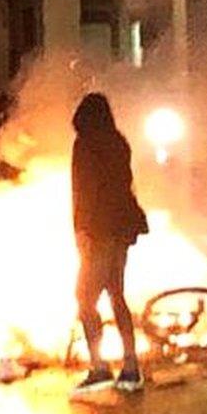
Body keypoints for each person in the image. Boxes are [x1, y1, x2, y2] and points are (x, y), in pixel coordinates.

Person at [70, 93, 149, 395]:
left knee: (85, 298)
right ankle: (130, 366)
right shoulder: (119, 142)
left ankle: (99, 366)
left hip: (98, 230)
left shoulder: (85, 145)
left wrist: (82, 229)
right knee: (117, 295)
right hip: (121, 227)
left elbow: (84, 191)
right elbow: (123, 184)